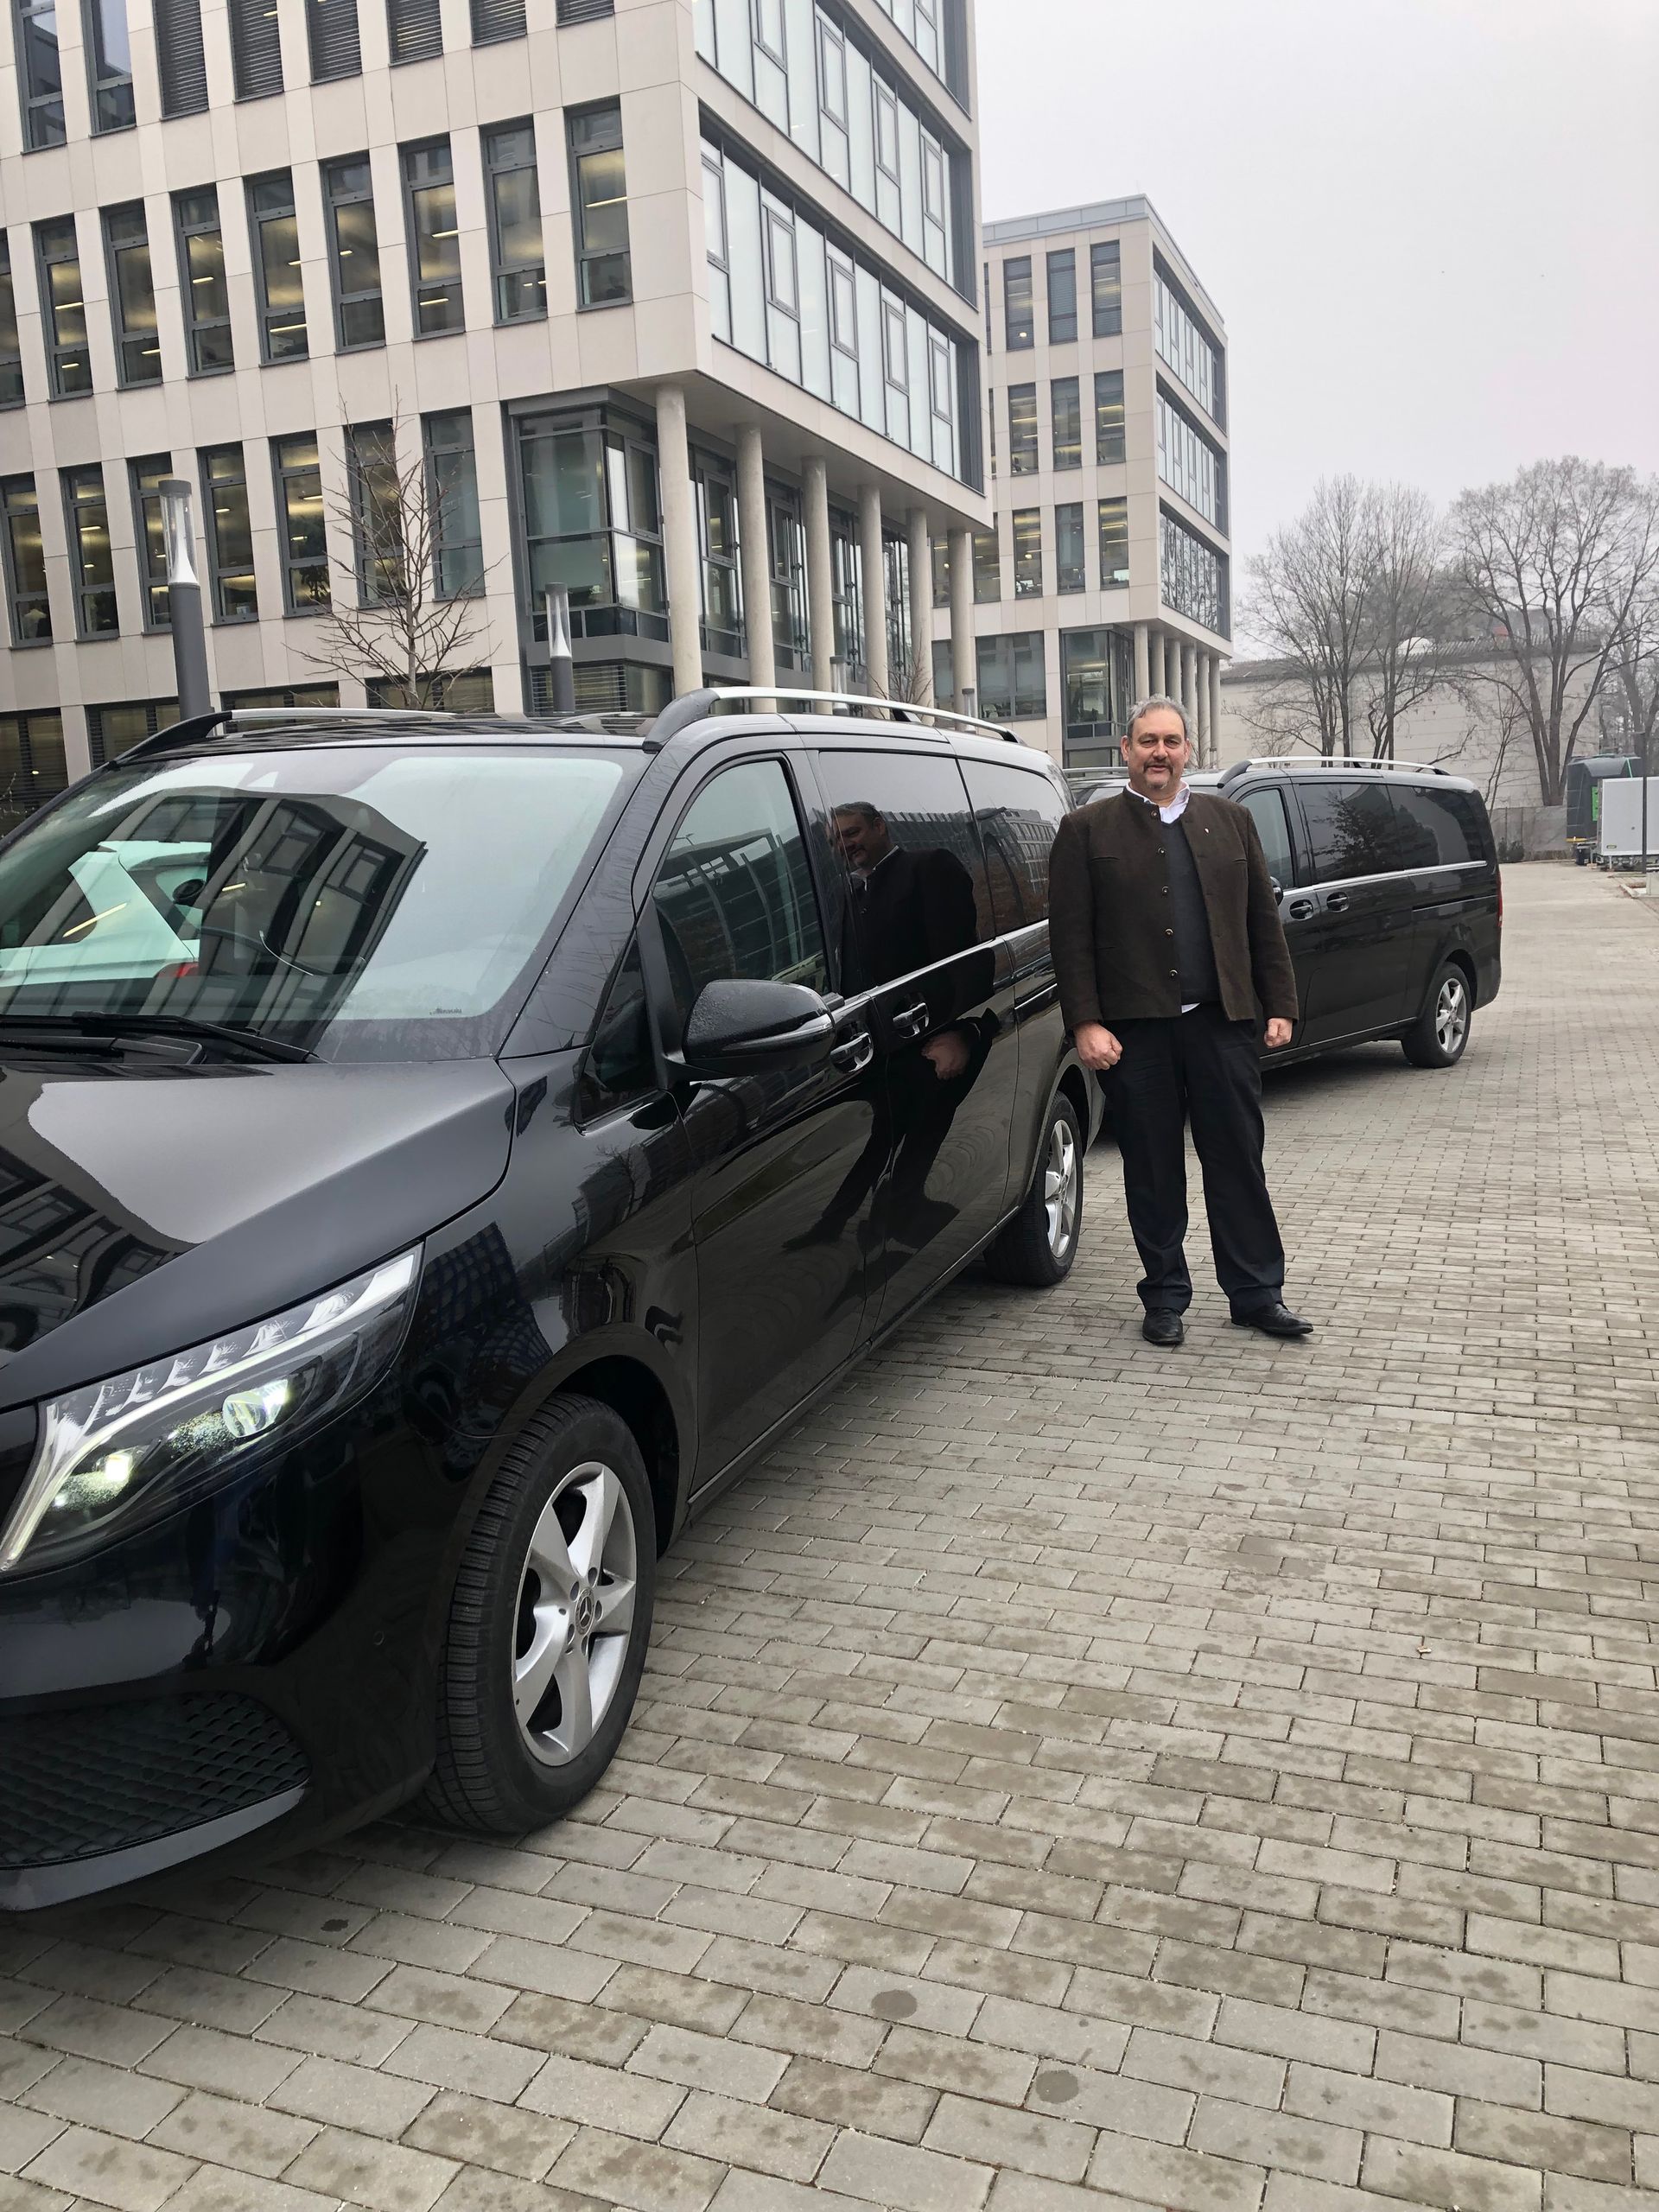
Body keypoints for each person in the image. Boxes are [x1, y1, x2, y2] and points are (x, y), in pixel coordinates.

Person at [1047, 695, 1311, 1345]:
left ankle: (1256, 1294)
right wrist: (1085, 1022)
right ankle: (1164, 1296)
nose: (1158, 752)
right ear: (1126, 751)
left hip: (1221, 1024)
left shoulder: (1233, 821)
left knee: (1238, 1161)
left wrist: (1280, 1004)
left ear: (1188, 748)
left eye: (1170, 740)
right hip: (1136, 1033)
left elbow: (1260, 924)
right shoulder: (1086, 831)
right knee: (1153, 1168)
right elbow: (1071, 939)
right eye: (1146, 742)